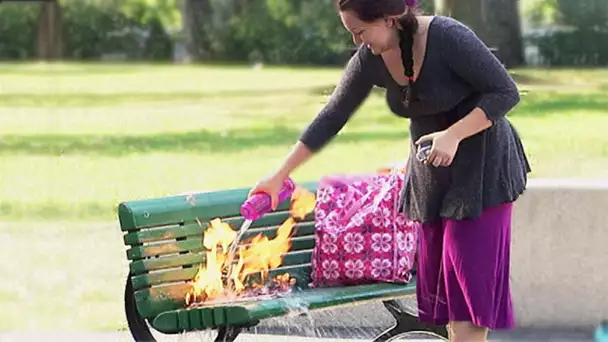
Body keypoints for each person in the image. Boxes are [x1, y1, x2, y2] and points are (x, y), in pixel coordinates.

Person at [248, 0, 531, 341]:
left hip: (483, 170)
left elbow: (505, 92)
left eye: (360, 31)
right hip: (432, 177)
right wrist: (280, 175)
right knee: (448, 296)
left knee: (469, 292)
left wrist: (454, 135)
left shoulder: (449, 37)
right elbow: (332, 115)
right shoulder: (371, 58)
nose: (357, 42)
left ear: (390, 19)